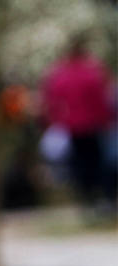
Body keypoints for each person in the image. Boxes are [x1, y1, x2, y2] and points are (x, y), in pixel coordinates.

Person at [41, 36, 116, 210]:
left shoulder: (59, 74)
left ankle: (87, 197)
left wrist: (56, 121)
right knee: (98, 160)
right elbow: (102, 99)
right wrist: (106, 120)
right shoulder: (93, 71)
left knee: (79, 162)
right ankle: (105, 196)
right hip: (93, 123)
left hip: (72, 125)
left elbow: (52, 101)